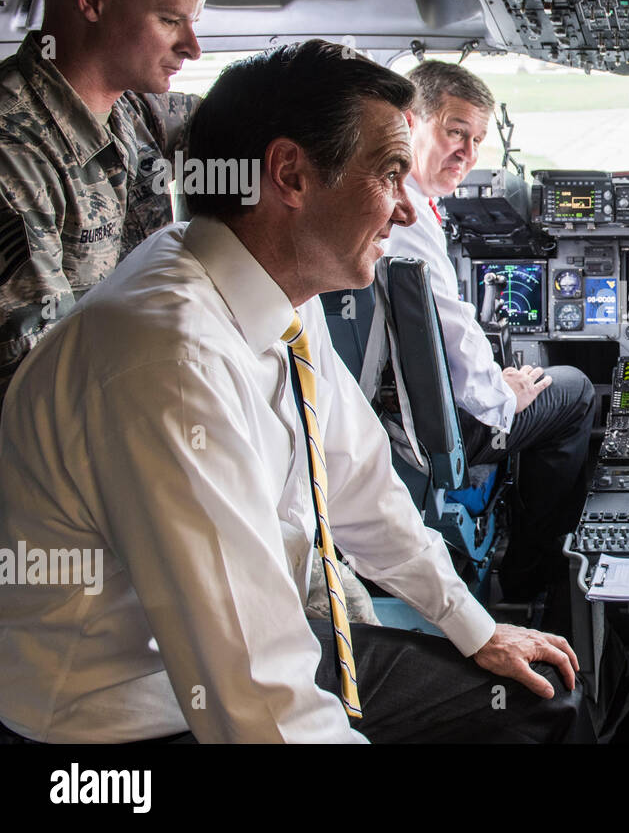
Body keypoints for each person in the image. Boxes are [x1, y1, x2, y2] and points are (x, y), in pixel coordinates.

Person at [0, 40, 586, 743]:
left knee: (539, 700)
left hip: (243, 648)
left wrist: (475, 626)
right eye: (390, 173)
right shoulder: (171, 364)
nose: (407, 211)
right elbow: (253, 694)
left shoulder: (274, 285)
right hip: (126, 715)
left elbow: (359, 482)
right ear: (290, 175)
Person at [384, 60, 596, 601]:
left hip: (393, 410)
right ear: (410, 122)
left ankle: (528, 566)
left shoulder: (394, 203)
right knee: (572, 389)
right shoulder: (406, 219)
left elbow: (443, 333)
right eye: (454, 132)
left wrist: (497, 382)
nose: (468, 153)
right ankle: (529, 566)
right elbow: (452, 331)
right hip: (436, 429)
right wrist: (508, 391)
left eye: (477, 140)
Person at [0, 0, 209, 399]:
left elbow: (242, 130)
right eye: (169, 20)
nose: (192, 47)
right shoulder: (14, 151)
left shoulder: (131, 110)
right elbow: (36, 380)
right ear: (94, 2)